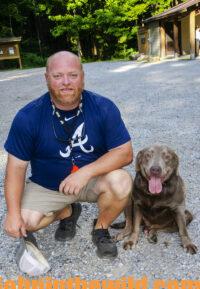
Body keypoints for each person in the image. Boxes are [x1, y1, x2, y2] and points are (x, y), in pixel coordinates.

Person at [4, 51, 133, 260]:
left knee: (122, 181)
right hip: (48, 184)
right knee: (24, 222)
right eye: (57, 76)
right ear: (47, 78)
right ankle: (67, 212)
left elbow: (125, 153)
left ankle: (101, 228)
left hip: (92, 181)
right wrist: (12, 213)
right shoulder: (28, 116)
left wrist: (85, 173)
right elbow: (16, 168)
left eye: (72, 75)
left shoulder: (103, 107)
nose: (66, 82)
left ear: (82, 76)